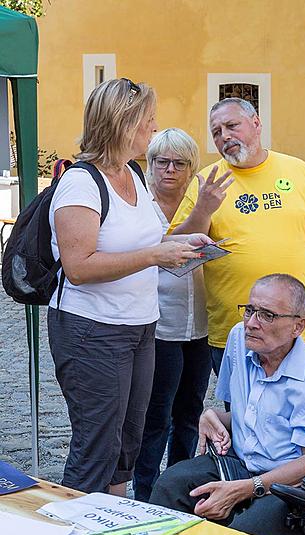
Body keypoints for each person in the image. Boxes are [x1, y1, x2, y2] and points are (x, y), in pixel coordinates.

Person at [47, 79, 210, 495]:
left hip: (140, 328)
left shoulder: (133, 175)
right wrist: (156, 256)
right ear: (122, 124)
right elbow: (79, 266)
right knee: (97, 446)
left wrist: (183, 242)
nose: (153, 130)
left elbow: (150, 241)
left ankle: (112, 525)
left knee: (127, 446)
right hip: (91, 330)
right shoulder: (80, 183)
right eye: (147, 121)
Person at [150, 274, 305, 535]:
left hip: (300, 483)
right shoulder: (239, 339)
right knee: (171, 485)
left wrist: (247, 489)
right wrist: (213, 417)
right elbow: (252, 415)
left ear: (298, 326)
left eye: (267, 315)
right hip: (249, 463)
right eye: (249, 310)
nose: (251, 323)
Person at [170, 97, 305, 375]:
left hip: (293, 329)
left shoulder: (298, 171)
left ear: (256, 124)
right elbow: (175, 251)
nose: (225, 136)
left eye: (232, 125)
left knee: (300, 413)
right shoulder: (206, 182)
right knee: (241, 415)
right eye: (217, 132)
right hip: (236, 332)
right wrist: (203, 210)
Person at [133, 129, 212, 501]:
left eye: (179, 163)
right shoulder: (139, 201)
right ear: (149, 165)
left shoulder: (198, 197)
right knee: (156, 414)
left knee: (191, 410)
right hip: (158, 322)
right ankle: (147, 490)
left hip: (199, 321)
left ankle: (183, 485)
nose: (169, 170)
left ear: (190, 167)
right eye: (161, 162)